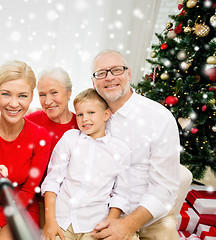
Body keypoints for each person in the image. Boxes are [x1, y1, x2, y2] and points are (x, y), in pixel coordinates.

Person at [90, 49, 180, 240]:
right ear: (93, 82)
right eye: (101, 73)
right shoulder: (90, 116)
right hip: (101, 215)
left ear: (129, 74)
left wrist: (128, 224)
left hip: (151, 218)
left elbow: (165, 188)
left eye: (116, 70)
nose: (109, 78)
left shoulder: (159, 118)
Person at [0, 60, 51, 240]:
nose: (14, 104)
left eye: (22, 96)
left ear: (30, 97)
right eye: (6, 94)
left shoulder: (40, 137)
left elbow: (29, 191)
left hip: (22, 208)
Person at [41, 88, 131, 240]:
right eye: (80, 114)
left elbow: (121, 193)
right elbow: (52, 182)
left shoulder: (120, 150)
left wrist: (109, 223)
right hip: (62, 220)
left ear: (106, 115)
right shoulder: (70, 139)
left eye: (91, 113)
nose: (84, 119)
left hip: (95, 224)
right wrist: (50, 221)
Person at [25, 67, 78, 228]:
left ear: (69, 92)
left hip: (71, 205)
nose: (47, 101)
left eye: (54, 93)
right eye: (42, 95)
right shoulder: (31, 120)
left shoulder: (82, 125)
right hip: (37, 201)